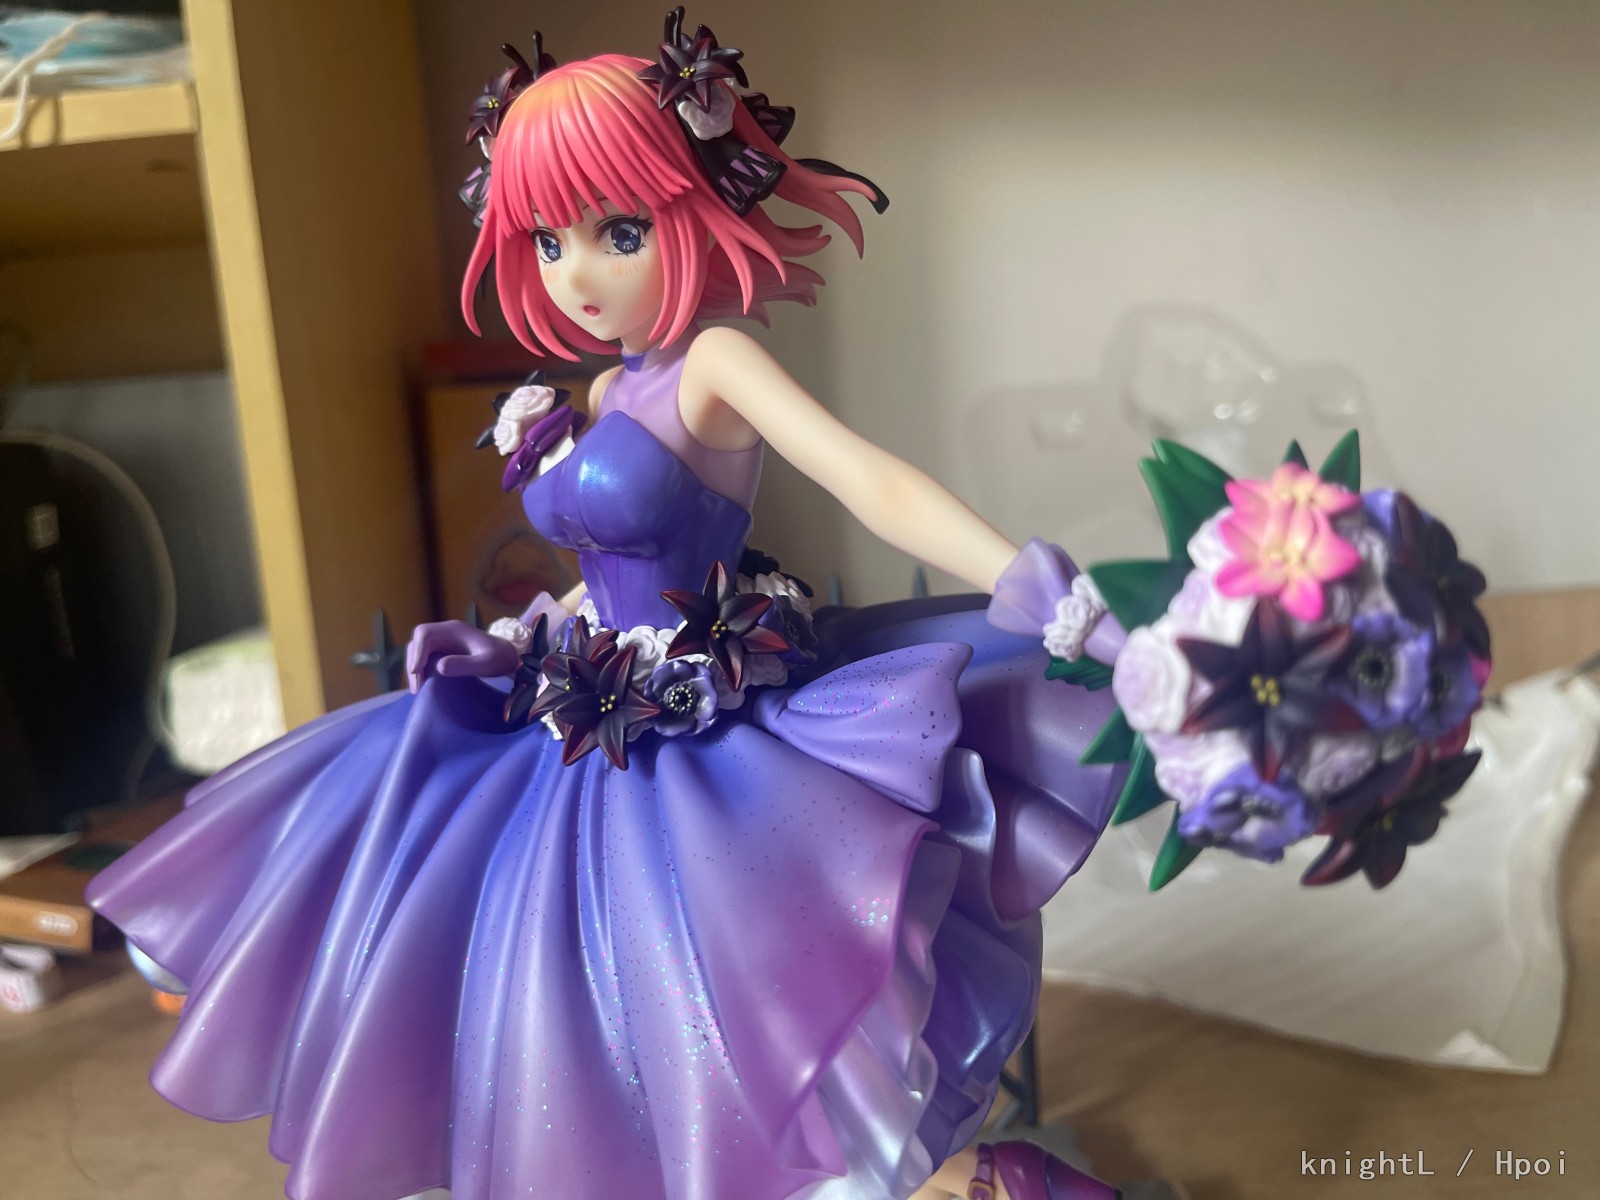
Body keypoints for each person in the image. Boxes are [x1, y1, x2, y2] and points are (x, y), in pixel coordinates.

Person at [89, 13, 1126, 1200]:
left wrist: (1026, 575)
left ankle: (950, 1178)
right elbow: (606, 554)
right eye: (546, 239)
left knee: (719, 976)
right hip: (589, 703)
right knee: (540, 959)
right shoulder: (598, 389)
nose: (574, 274)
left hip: (701, 720)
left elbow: (867, 480)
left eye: (616, 232)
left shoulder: (717, 364)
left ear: (689, 212)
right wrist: (535, 627)